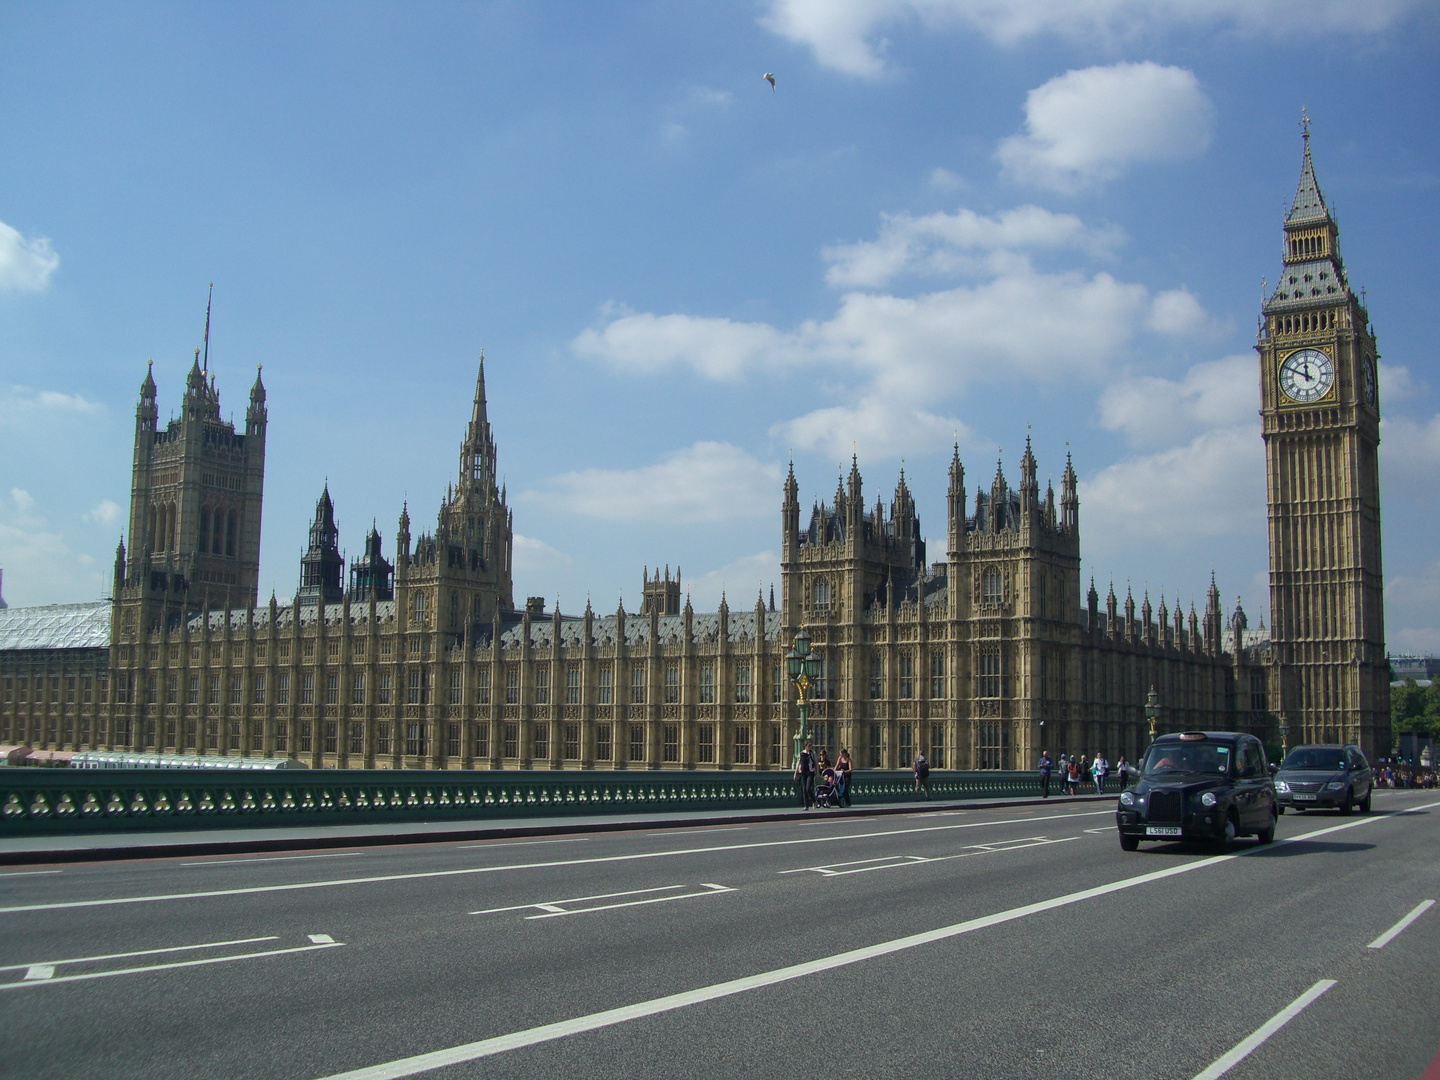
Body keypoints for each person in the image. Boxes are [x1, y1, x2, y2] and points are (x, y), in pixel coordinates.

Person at [794, 740, 816, 809]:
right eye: (809, 745)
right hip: (803, 773)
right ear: (805, 746)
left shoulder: (813, 753)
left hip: (810, 772)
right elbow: (798, 763)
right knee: (804, 789)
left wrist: (817, 773)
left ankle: (814, 800)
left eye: (811, 745)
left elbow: (816, 763)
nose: (810, 747)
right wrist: (795, 773)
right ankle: (806, 805)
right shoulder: (801, 754)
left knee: (808, 788)